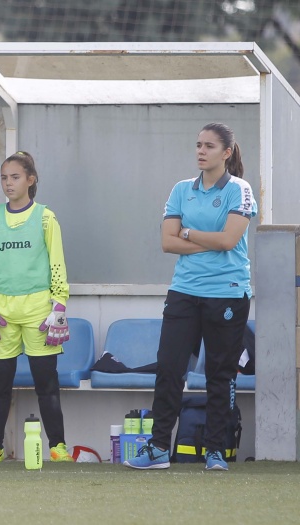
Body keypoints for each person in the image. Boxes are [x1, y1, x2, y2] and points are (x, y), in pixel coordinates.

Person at [124, 123, 256, 472]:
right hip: (184, 291)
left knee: (220, 373)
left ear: (226, 153)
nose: (201, 151)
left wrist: (188, 232)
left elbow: (229, 241)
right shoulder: (181, 190)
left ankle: (215, 451)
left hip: (227, 293)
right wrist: (205, 238)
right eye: (198, 145)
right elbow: (168, 243)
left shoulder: (239, 189)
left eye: (209, 146)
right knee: (169, 368)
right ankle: (157, 449)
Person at [0, 151, 74, 463]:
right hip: (1, 314)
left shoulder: (45, 217)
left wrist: (59, 306)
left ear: (30, 180)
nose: (8, 183)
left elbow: (57, 263)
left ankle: (58, 447)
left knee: (47, 385)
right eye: (4, 177)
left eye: (15, 177)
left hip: (39, 313)